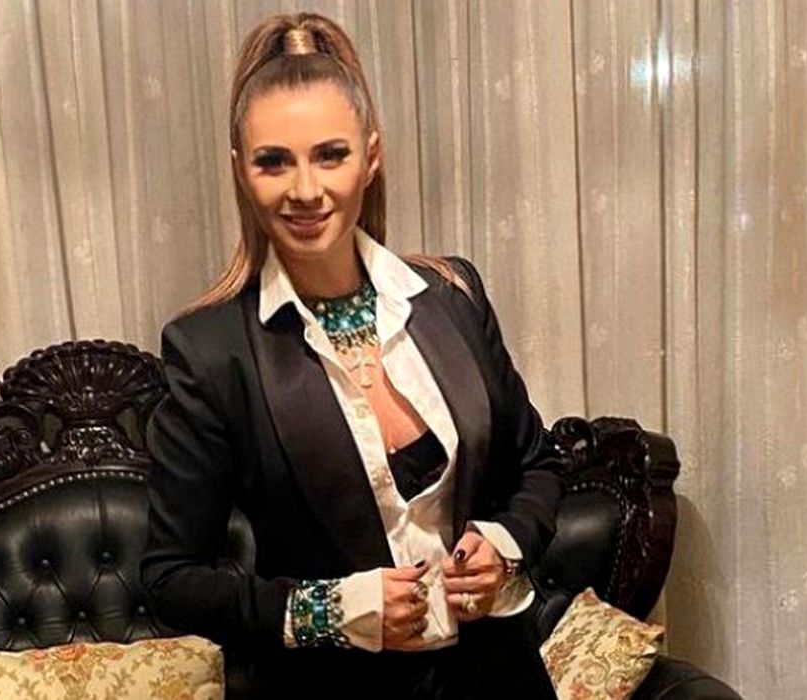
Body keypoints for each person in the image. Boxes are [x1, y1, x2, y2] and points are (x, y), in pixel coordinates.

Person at [141, 12, 562, 699]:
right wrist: (328, 611)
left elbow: (536, 464)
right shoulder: (210, 351)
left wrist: (504, 544)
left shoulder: (451, 297)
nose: (305, 190)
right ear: (241, 171)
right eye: (273, 161)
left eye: (329, 155)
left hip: (501, 680)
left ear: (371, 156)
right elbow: (170, 579)